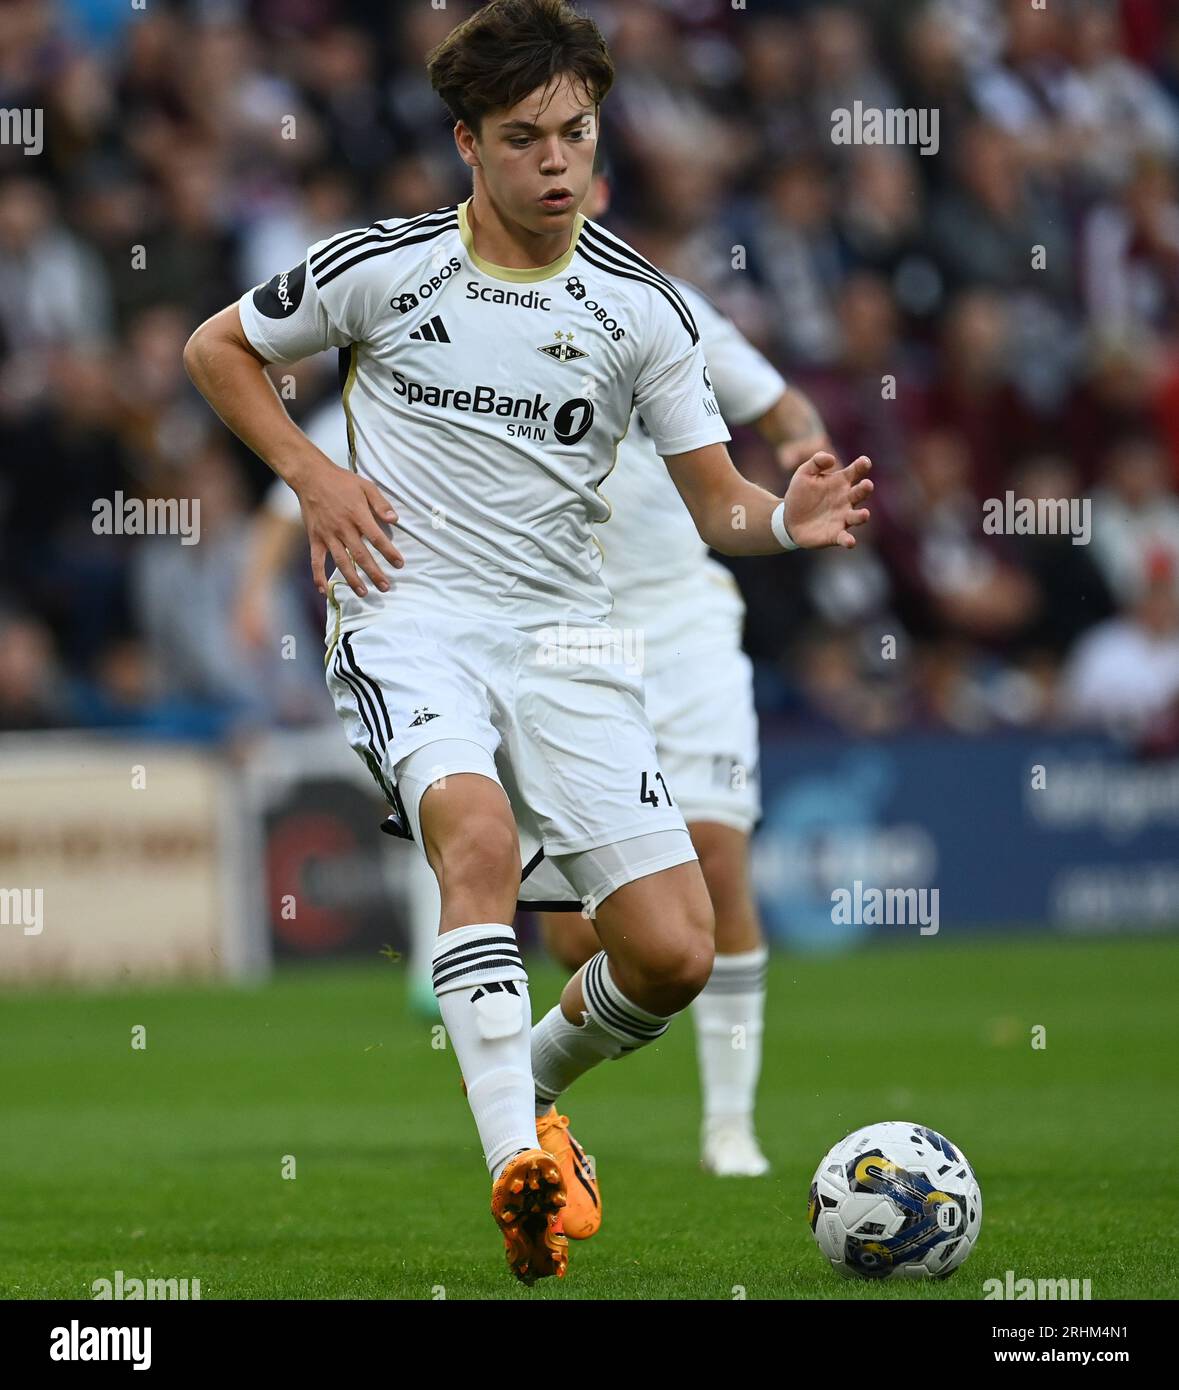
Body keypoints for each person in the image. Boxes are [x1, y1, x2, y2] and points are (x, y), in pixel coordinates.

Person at [184, 0, 872, 1286]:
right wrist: (308, 479)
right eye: (526, 138)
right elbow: (217, 348)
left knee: (670, 949)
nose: (557, 161)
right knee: (480, 841)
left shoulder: (644, 310)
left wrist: (787, 516)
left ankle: (537, 1088)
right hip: (409, 615)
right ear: (468, 145)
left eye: (575, 133)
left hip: (571, 642)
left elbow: (716, 501)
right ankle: (515, 1162)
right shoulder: (381, 269)